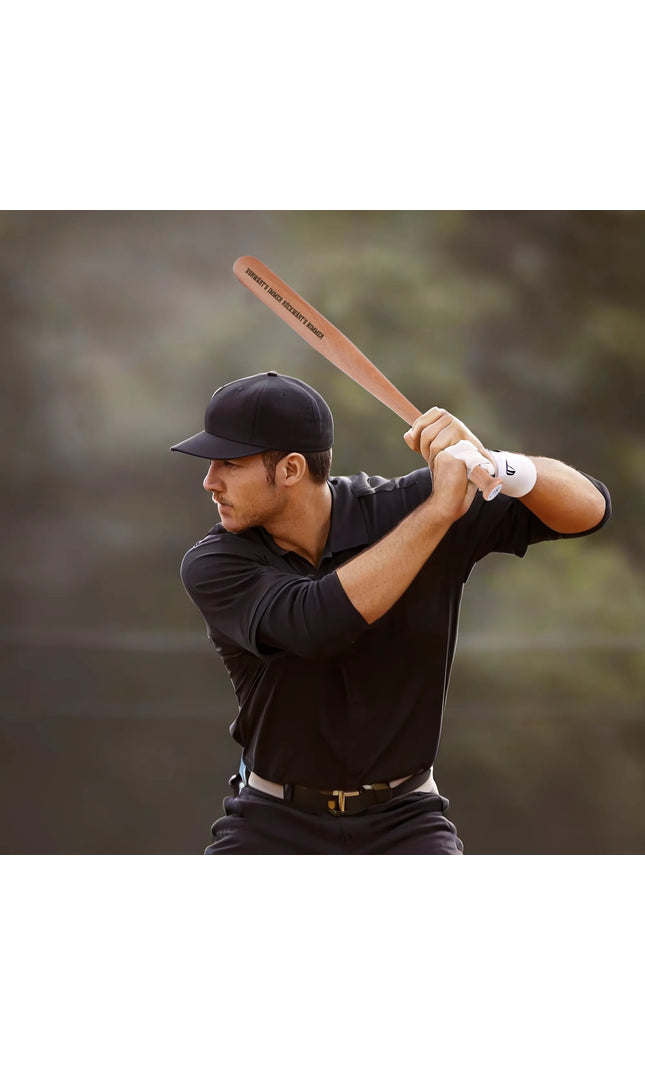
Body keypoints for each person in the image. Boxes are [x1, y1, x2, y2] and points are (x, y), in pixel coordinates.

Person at [171, 370, 611, 854]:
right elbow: (316, 624)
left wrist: (499, 465)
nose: (210, 482)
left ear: (292, 469)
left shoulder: (406, 505)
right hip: (272, 821)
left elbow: (590, 509)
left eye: (229, 464)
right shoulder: (214, 562)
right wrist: (438, 513)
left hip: (406, 820)